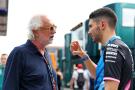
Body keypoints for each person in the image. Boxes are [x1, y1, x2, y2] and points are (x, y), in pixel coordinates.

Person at [70, 7, 134, 90]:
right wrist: (83, 55)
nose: (89, 32)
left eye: (90, 26)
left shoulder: (112, 49)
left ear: (102, 25)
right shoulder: (117, 47)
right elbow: (99, 75)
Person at [2, 15, 58, 90]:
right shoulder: (19, 53)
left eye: (55, 27)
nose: (54, 31)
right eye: (51, 28)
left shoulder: (46, 54)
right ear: (35, 31)